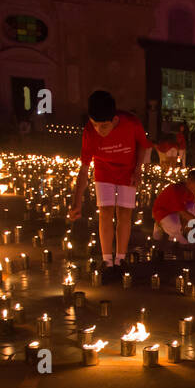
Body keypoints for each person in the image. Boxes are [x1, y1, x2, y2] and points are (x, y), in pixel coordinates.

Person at [67, 90, 151, 268]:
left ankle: (120, 258)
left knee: (124, 213)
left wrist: (138, 170)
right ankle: (107, 260)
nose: (98, 130)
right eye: (94, 124)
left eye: (103, 126)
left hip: (127, 171)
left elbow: (142, 145)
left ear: (114, 120)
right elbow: (83, 170)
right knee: (105, 212)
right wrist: (77, 203)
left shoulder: (131, 123)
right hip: (103, 171)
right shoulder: (89, 132)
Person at [151, 169, 195, 242]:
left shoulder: (190, 192)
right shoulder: (175, 190)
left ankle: (175, 234)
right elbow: (184, 213)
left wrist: (184, 227)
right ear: (189, 182)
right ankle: (159, 225)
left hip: (176, 212)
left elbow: (189, 212)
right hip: (162, 213)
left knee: (194, 207)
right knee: (176, 228)